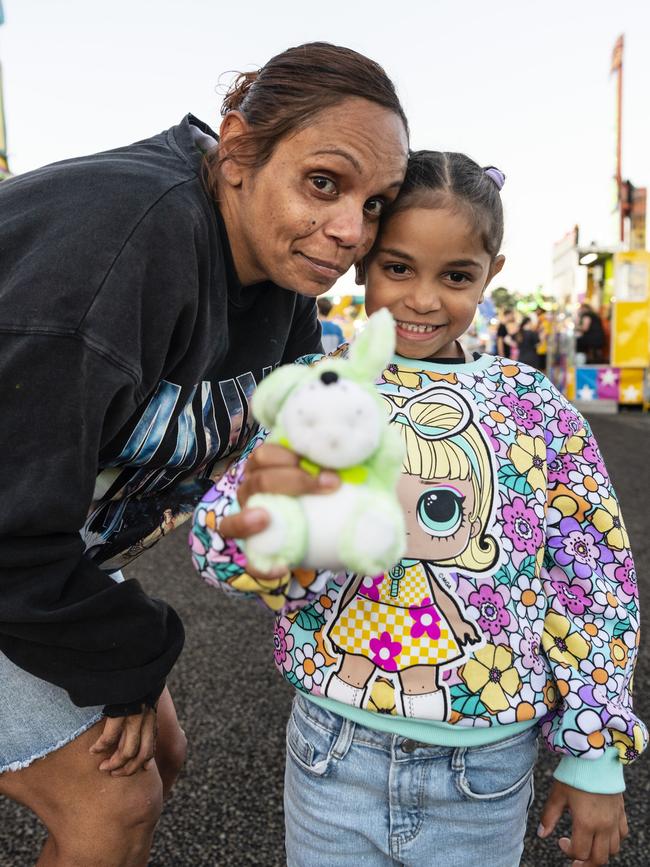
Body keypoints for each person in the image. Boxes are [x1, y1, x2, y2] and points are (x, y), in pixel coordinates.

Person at [0, 42, 409, 866]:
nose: (348, 232)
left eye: (376, 205)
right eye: (324, 183)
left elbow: (266, 483)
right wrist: (130, 643)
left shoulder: (283, 285)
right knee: (112, 800)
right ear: (238, 149)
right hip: (13, 538)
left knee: (158, 751)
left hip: (38, 538)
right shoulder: (122, 250)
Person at [192, 150, 646, 867]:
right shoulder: (321, 387)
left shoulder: (534, 407)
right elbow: (223, 539)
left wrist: (594, 751)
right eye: (398, 268)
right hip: (330, 753)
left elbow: (593, 577)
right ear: (362, 263)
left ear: (491, 273)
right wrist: (251, 530)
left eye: (456, 275)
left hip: (485, 771)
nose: (424, 299)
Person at [535, 306, 550, 371]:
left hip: (542, 348)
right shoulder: (542, 322)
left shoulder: (544, 322)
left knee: (542, 368)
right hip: (541, 348)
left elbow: (545, 335)